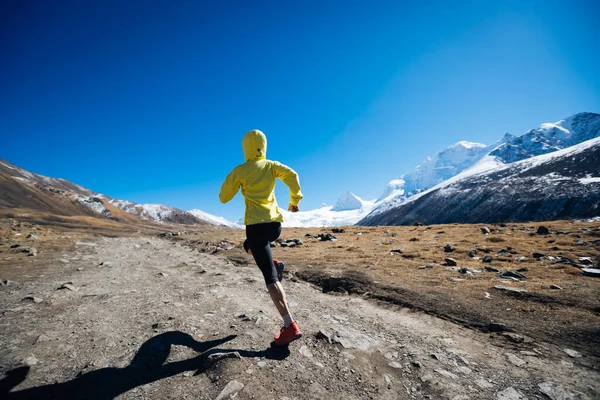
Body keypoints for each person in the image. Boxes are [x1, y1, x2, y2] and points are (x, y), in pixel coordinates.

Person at [219, 129, 303, 346]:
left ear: (245, 147)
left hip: (255, 226)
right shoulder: (272, 165)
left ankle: (289, 326)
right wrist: (294, 200)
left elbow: (223, 198)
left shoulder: (240, 170)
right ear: (263, 146)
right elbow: (292, 175)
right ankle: (273, 263)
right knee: (253, 246)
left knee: (270, 278)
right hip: (275, 227)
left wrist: (237, 184)